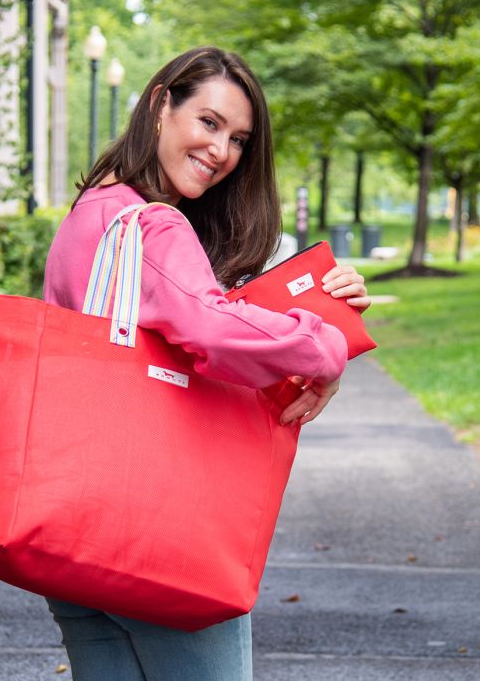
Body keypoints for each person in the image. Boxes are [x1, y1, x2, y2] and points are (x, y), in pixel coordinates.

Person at [42, 46, 370, 681]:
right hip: (158, 533)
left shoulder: (93, 213)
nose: (222, 152)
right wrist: (325, 343)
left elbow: (191, 314)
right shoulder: (154, 227)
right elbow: (209, 329)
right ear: (161, 105)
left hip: (77, 529)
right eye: (210, 123)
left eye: (240, 139)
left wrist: (316, 304)